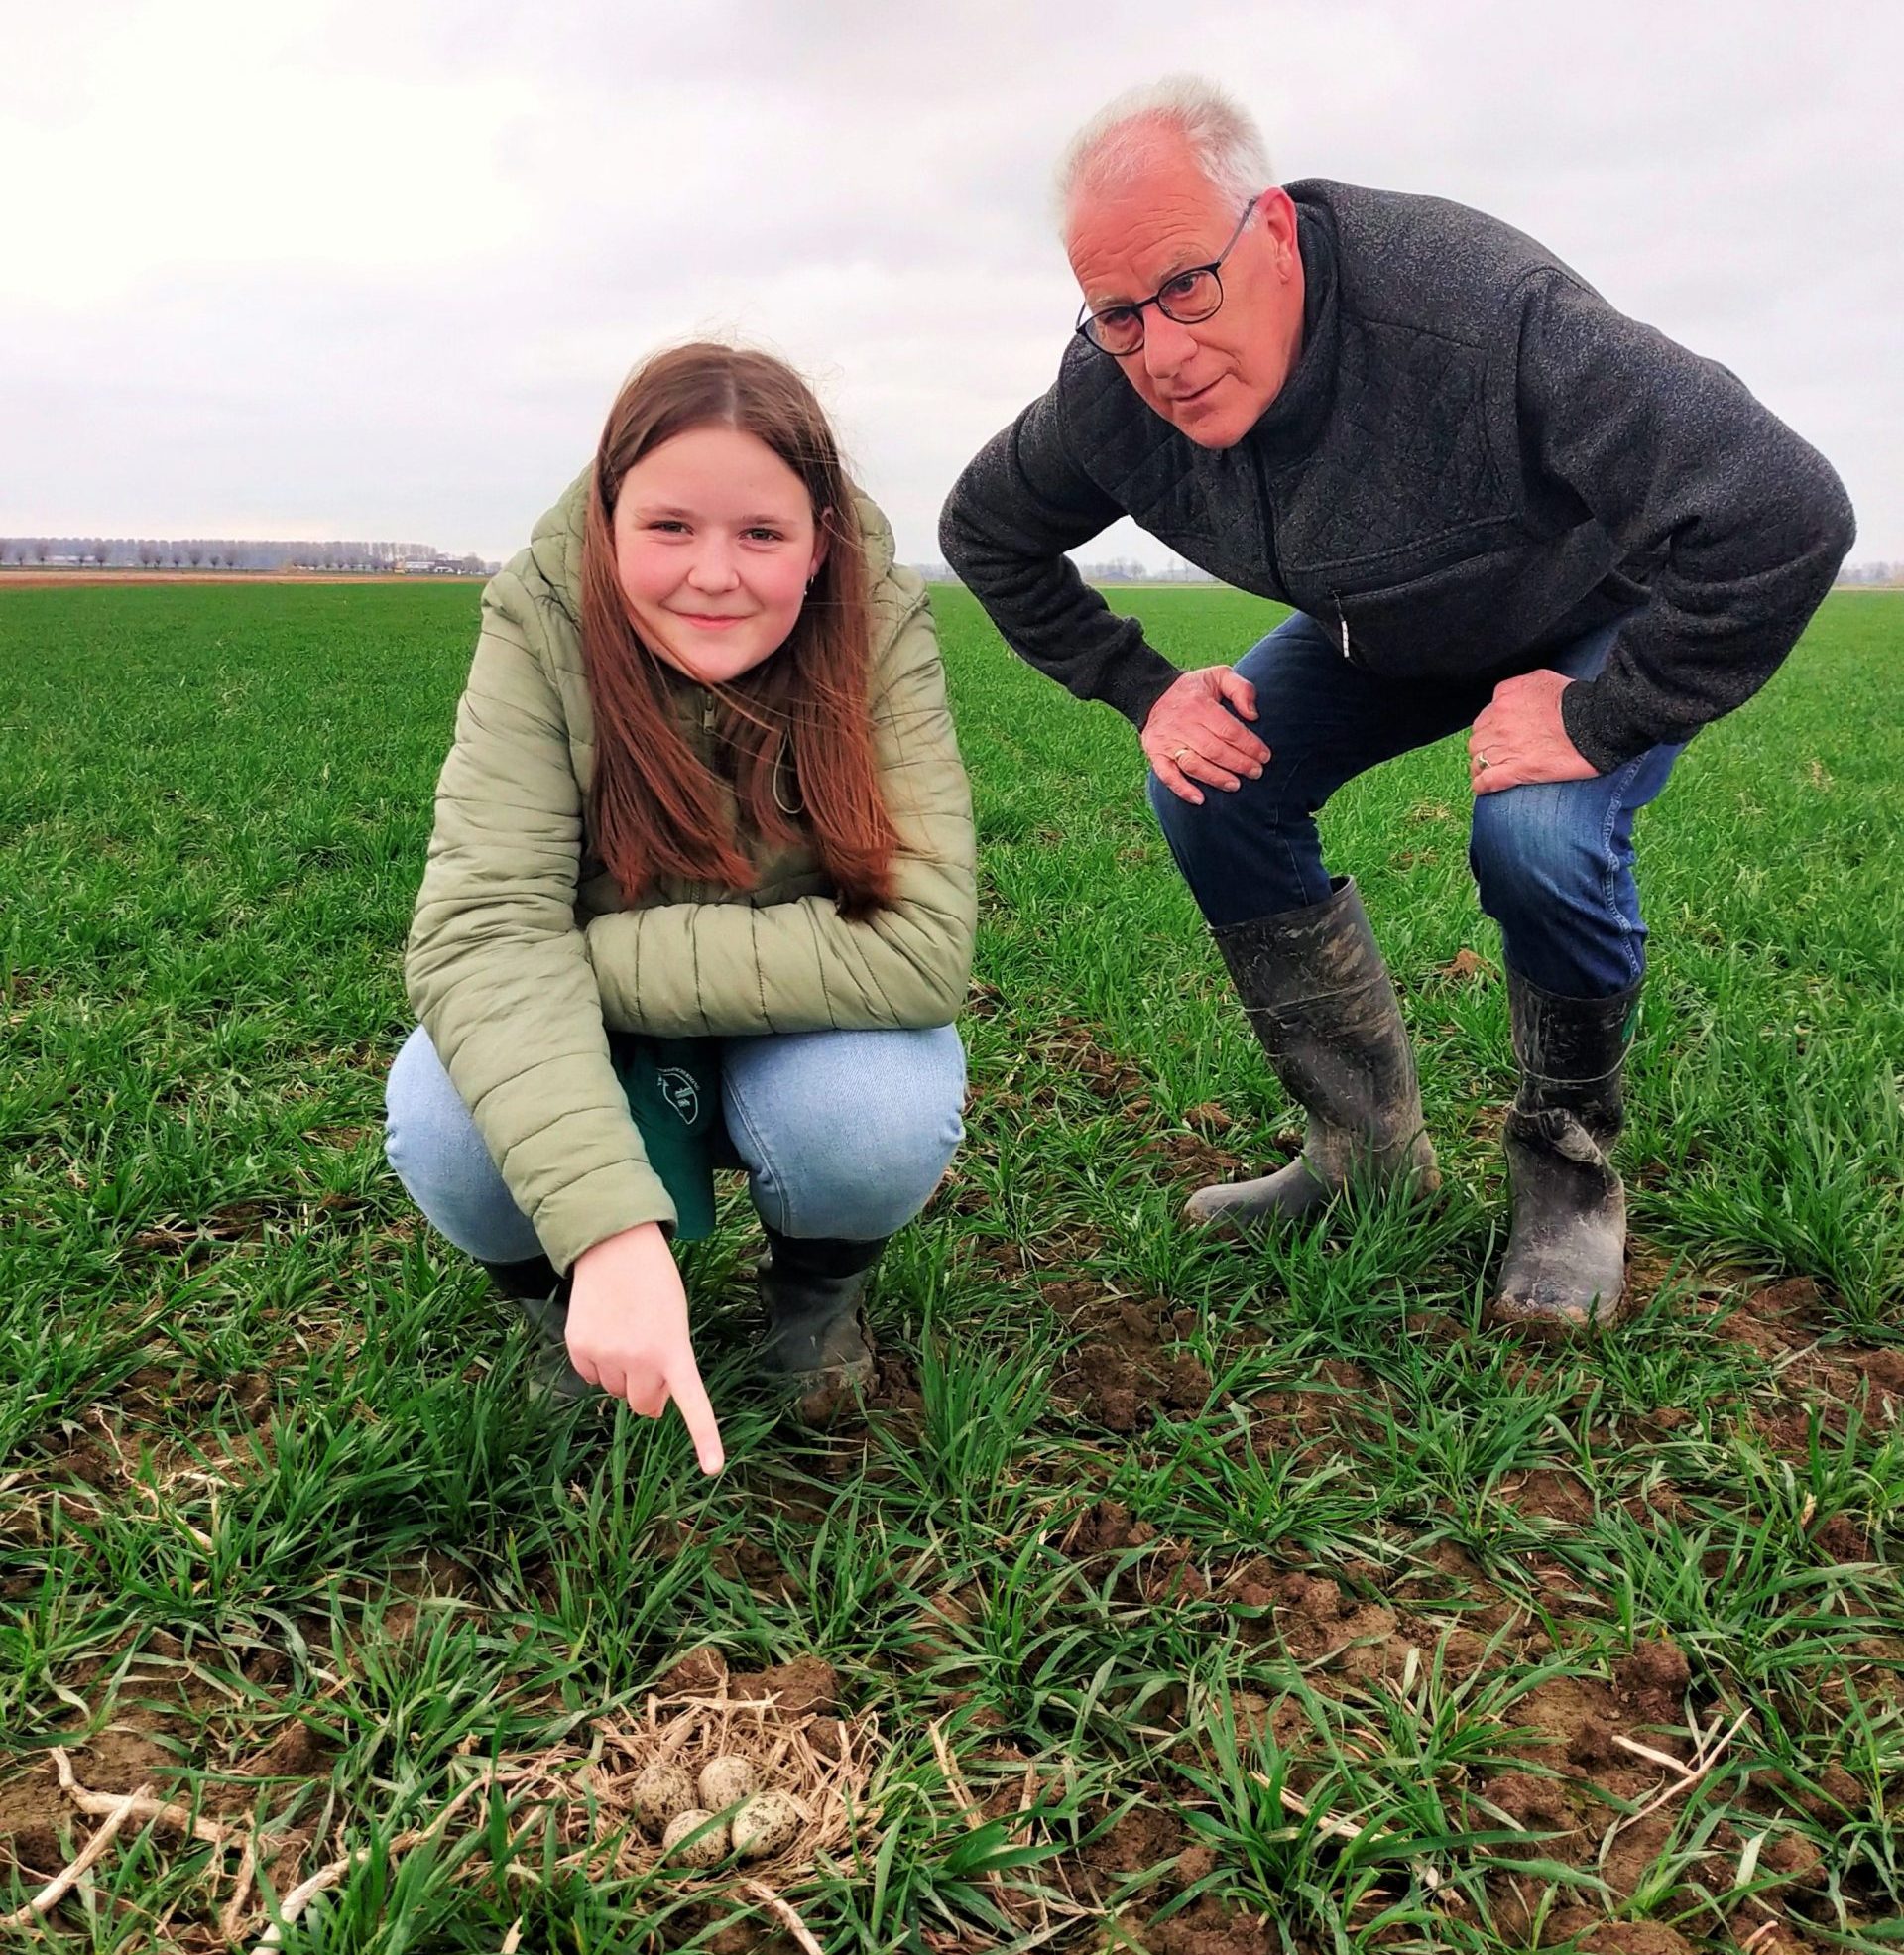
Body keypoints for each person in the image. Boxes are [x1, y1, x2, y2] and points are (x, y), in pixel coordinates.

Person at [941, 77, 1854, 1330]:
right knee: (1209, 775)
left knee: (1536, 833)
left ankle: (1567, 1177)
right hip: (1384, 629)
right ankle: (1361, 1152)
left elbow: (1783, 509)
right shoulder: (1114, 395)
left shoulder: (1480, 319)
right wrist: (1142, 689)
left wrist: (1598, 717)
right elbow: (984, 532)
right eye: (1116, 312)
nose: (1161, 349)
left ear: (1270, 232)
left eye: (1184, 287)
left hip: (1585, 617)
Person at [387, 344, 977, 1472]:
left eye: (761, 534)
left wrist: (581, 955)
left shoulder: (879, 625)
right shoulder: (541, 623)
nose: (715, 573)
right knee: (442, 1118)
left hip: (801, 1021)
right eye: (669, 528)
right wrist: (607, 1231)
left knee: (873, 1113)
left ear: (819, 543)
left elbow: (920, 946)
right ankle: (568, 1316)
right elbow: (481, 924)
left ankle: (813, 1305)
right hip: (636, 1022)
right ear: (610, 525)